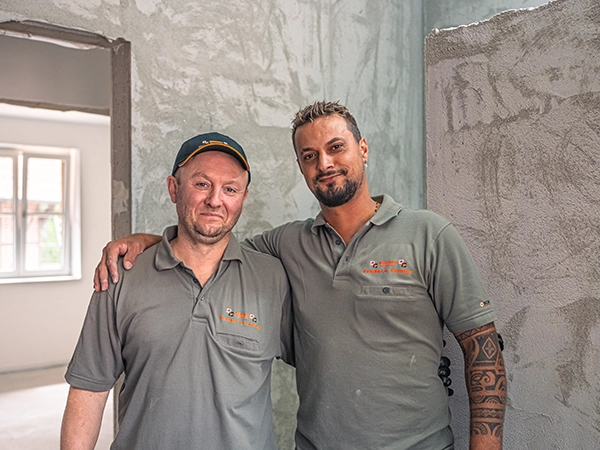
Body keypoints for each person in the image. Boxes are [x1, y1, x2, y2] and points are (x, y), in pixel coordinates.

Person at [94, 102, 507, 450]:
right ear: (301, 167)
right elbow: (207, 244)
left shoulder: (429, 234)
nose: (324, 163)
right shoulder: (286, 244)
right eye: (309, 156)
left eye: (336, 147)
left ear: (363, 149)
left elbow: (482, 347)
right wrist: (148, 241)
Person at [61, 132, 293, 450]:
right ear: (174, 188)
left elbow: (323, 362)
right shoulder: (121, 275)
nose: (215, 200)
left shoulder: (273, 279)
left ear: (243, 197)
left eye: (230, 189)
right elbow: (89, 389)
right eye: (202, 184)